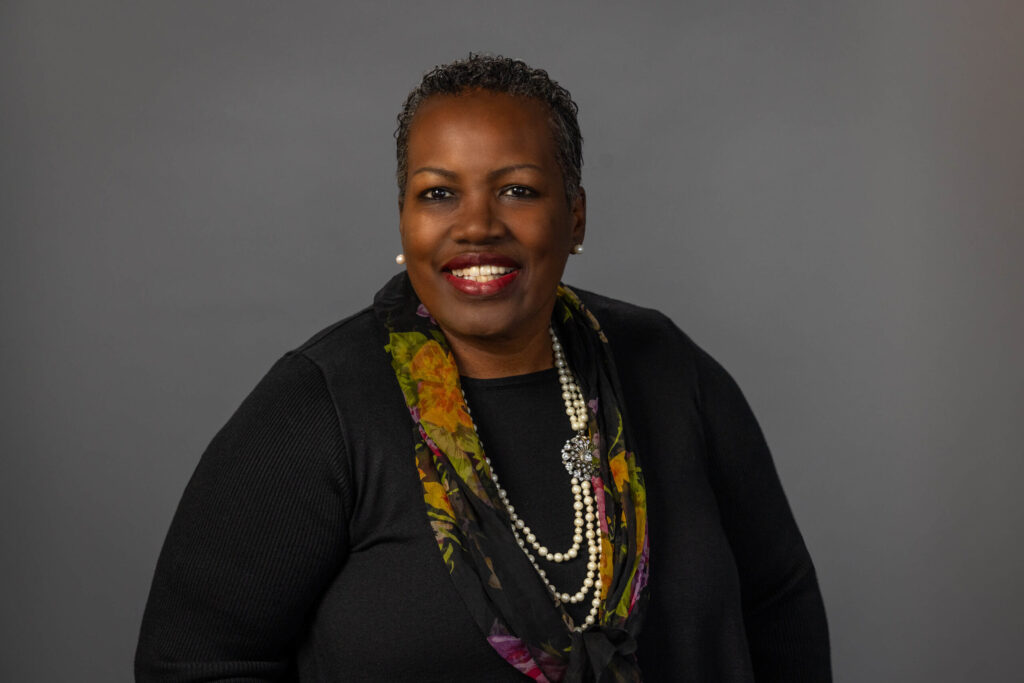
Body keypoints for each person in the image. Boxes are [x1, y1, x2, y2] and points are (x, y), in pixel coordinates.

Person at [136, 54, 831, 682]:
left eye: (518, 190)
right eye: (438, 192)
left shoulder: (666, 369)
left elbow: (779, 605)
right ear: (403, 219)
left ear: (577, 216)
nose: (476, 226)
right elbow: (193, 664)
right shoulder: (322, 404)